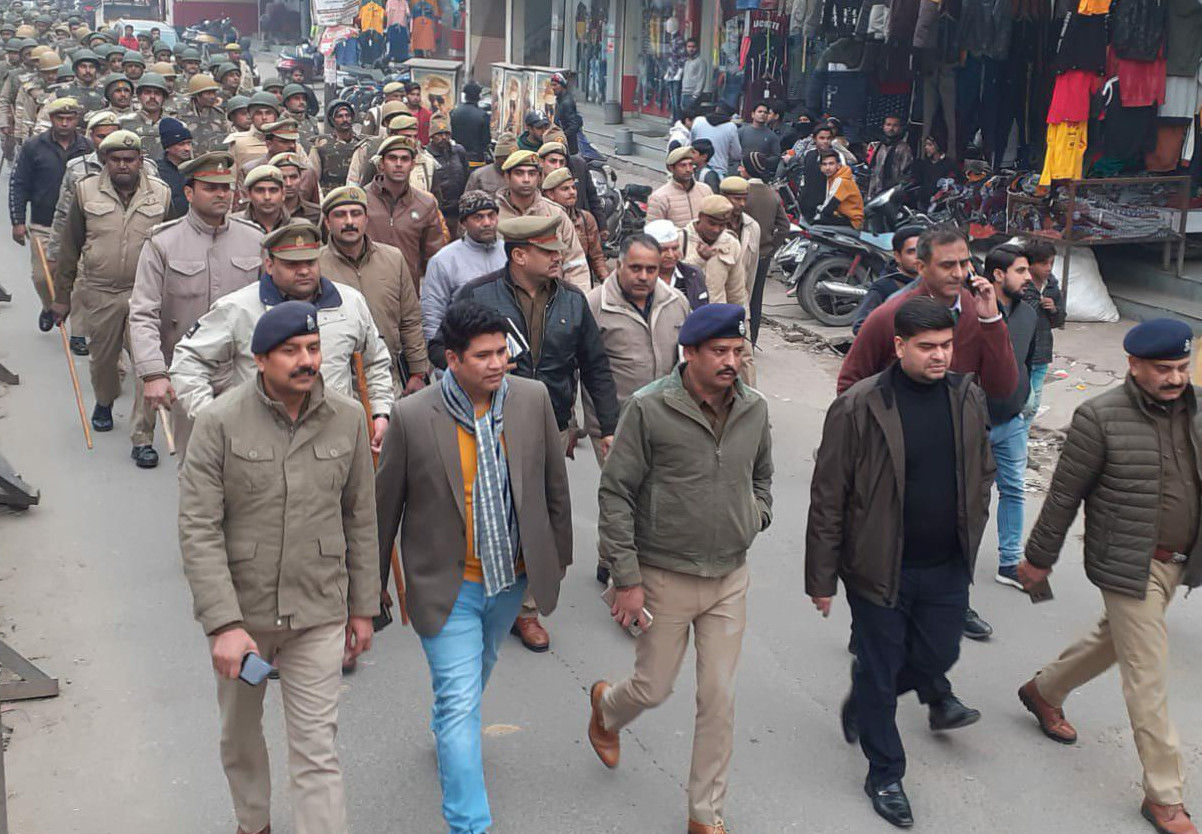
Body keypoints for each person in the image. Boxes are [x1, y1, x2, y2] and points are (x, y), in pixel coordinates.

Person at [178, 300, 380, 834]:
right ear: (261, 359)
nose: (306, 360)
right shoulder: (219, 422)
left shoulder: (348, 418)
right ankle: (253, 823)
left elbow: (361, 517)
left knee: (317, 749)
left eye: (313, 348)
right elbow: (198, 528)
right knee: (240, 738)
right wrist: (223, 624)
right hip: (243, 617)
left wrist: (364, 608)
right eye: (291, 351)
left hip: (318, 609)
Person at [374, 299, 572, 834]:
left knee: (476, 674)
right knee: (461, 701)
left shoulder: (531, 399)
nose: (497, 363)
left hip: (509, 579)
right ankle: (470, 824)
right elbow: (384, 510)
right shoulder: (414, 416)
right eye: (483, 355)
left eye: (502, 352)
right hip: (447, 584)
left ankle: (446, 732)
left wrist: (557, 558)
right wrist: (370, 591)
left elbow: (553, 485)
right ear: (453, 360)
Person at [806, 296, 994, 829]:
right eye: (927, 346)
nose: (940, 356)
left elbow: (982, 467)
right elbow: (829, 497)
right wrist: (821, 578)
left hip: (946, 564)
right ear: (898, 346)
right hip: (878, 567)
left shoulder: (966, 396)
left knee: (938, 654)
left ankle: (867, 697)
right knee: (882, 667)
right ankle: (885, 774)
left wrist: (974, 519)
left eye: (946, 345)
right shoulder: (860, 406)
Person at [588, 303, 773, 834]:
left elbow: (762, 476)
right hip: (663, 575)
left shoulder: (754, 408)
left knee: (719, 698)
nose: (731, 361)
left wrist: (754, 515)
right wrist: (627, 579)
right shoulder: (649, 408)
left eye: (738, 351)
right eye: (719, 351)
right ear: (689, 352)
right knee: (653, 687)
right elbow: (615, 493)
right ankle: (607, 710)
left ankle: (704, 816)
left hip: (729, 578)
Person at [1017, 318, 1202, 834]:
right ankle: (1164, 796)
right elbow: (1064, 494)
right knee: (1148, 672)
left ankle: (1044, 690)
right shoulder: (1099, 416)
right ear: (1134, 365)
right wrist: (1038, 558)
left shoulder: (1199, 409)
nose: (1175, 378)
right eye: (1163, 368)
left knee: (1114, 640)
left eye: (1182, 367)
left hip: (1182, 559)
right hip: (1129, 563)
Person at [439, 215, 620, 652]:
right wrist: (481, 372)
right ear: (519, 255)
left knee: (537, 517)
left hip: (550, 424)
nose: (559, 257)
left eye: (558, 250)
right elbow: (443, 351)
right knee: (485, 511)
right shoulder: (477, 295)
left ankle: (527, 609)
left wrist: (608, 427)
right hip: (486, 424)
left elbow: (595, 366)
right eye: (548, 251)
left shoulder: (573, 301)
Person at [837, 225, 1017, 641]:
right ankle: (870, 619)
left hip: (957, 451)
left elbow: (1004, 387)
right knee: (889, 540)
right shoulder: (890, 316)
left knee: (956, 530)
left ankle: (953, 602)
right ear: (921, 267)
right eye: (948, 264)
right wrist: (869, 446)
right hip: (897, 454)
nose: (959, 273)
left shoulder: (975, 310)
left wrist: (992, 319)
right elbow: (850, 383)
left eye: (965, 263)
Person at [170, 219, 395, 446]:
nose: (304, 271)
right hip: (260, 442)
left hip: (334, 439)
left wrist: (380, 412)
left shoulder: (350, 302)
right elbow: (188, 361)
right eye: (292, 264)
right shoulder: (238, 308)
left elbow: (375, 361)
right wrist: (210, 416)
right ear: (269, 265)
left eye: (310, 262)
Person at [49, 129, 172, 466]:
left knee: (148, 365)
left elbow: (174, 246)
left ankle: (142, 438)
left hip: (145, 295)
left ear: (140, 161)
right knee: (103, 363)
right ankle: (104, 400)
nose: (122, 165)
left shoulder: (161, 194)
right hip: (100, 291)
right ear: (105, 160)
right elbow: (71, 246)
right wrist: (61, 298)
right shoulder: (85, 190)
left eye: (129, 159)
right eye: (115, 159)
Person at [128, 151, 264, 454]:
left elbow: (271, 309)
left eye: (225, 188)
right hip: (186, 370)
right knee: (195, 463)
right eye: (210, 188)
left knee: (246, 461)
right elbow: (143, 313)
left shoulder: (255, 239)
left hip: (242, 370)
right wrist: (153, 373)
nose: (221, 194)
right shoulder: (163, 243)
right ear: (189, 193)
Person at [584, 232, 690, 477]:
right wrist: (571, 425)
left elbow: (687, 362)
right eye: (635, 268)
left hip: (666, 423)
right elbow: (577, 366)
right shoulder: (594, 305)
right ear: (619, 266)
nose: (643, 276)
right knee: (622, 492)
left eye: (651, 269)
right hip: (615, 427)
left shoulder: (677, 302)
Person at [317, 186, 430, 393]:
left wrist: (417, 372)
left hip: (389, 377)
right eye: (340, 215)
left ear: (366, 219)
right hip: (335, 383)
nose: (349, 222)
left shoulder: (393, 259)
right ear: (327, 222)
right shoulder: (315, 266)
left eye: (356, 214)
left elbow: (411, 320)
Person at [980, 244, 1037, 591]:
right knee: (965, 496)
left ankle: (1010, 563)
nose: (1029, 277)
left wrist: (1026, 400)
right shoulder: (972, 311)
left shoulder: (1029, 314)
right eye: (1021, 271)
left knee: (1014, 489)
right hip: (973, 423)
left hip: (1012, 421)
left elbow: (1028, 361)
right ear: (998, 274)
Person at [9, 96, 89, 333]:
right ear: (51, 118)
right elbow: (19, 183)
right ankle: (49, 306)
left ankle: (78, 331)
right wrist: (17, 221)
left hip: (79, 224)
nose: (64, 123)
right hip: (43, 224)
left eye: (69, 118)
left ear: (77, 119)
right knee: (42, 277)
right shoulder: (34, 146)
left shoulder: (87, 147)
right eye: (59, 118)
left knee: (79, 279)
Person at [45, 108, 121, 355]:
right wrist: (55, 251)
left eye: (113, 135)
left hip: (123, 238)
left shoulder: (138, 166)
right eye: (101, 136)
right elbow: (63, 212)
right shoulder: (77, 168)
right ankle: (79, 333)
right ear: (91, 137)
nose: (107, 141)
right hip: (86, 237)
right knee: (80, 285)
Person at [494, 149, 591, 291]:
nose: (526, 179)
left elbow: (576, 264)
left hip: (551, 297)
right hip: (504, 295)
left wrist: (575, 300)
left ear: (539, 177)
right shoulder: (491, 216)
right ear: (507, 177)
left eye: (532, 173)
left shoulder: (555, 214)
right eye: (519, 173)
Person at [363, 135, 447, 288]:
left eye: (405, 159)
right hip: (366, 289)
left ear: (413, 164)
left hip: (408, 291)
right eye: (392, 158)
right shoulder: (361, 200)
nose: (398, 164)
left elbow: (434, 258)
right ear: (381, 164)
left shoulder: (425, 204)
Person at [421, 190, 506, 339]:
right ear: (463, 223)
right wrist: (437, 349)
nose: (487, 223)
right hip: (465, 345)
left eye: (491, 215)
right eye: (478, 217)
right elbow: (432, 315)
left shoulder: (509, 253)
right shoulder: (443, 261)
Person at [739, 151, 789, 343]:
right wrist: (771, 248)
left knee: (737, 295)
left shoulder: (740, 193)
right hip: (762, 255)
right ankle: (752, 341)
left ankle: (737, 339)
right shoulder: (772, 195)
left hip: (741, 253)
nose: (739, 169)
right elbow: (784, 227)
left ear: (748, 169)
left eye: (742, 166)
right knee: (756, 299)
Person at [1020, 238, 1064, 425]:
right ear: (1030, 265)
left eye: (1051, 263)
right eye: (1044, 263)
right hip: (1023, 356)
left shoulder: (1052, 287)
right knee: (1025, 402)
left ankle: (1023, 435)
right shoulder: (1021, 287)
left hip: (1042, 353)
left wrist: (1053, 309)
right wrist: (1035, 303)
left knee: (1035, 401)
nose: (1048, 268)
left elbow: (1059, 320)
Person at [851, 224, 924, 335]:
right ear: (897, 256)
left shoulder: (934, 283)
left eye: (922, 250)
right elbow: (860, 327)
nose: (918, 257)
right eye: (911, 252)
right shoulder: (883, 287)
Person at [542, 167, 607, 286]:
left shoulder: (586, 219)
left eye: (573, 187)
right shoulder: (543, 221)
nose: (572, 192)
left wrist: (608, 283)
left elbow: (597, 257)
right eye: (565, 189)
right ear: (550, 194)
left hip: (580, 284)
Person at [681, 195, 746, 306]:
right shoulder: (680, 240)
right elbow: (675, 281)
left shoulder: (731, 244)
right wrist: (699, 259)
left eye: (722, 225)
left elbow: (736, 291)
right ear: (700, 216)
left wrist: (741, 314)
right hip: (688, 312)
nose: (716, 230)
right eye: (712, 223)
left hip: (717, 312)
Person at [538, 134, 605, 232]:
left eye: (561, 162)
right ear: (541, 162)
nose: (558, 167)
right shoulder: (534, 183)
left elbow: (593, 198)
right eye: (553, 161)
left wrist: (602, 226)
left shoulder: (578, 168)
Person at [644, 218, 709, 309]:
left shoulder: (693, 274)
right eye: (663, 250)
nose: (671, 255)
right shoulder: (641, 278)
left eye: (674, 249)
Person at [647, 145, 714, 228]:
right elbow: (654, 230)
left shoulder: (705, 190)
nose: (688, 169)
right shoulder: (659, 198)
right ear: (671, 168)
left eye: (690, 164)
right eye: (683, 165)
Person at [718, 176, 761, 304]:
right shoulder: (712, 227)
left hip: (739, 297)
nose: (742, 203)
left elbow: (752, 271)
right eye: (737, 199)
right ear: (723, 197)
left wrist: (746, 301)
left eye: (745, 199)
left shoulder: (752, 227)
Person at [308, 100, 365, 192]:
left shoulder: (363, 143)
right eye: (340, 116)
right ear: (332, 119)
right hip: (329, 195)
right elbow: (312, 179)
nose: (345, 119)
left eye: (347, 115)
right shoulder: (320, 145)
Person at [428, 113, 469, 239]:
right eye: (439, 134)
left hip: (458, 211)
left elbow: (467, 177)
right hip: (438, 212)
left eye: (447, 134)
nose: (444, 138)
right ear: (432, 136)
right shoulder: (427, 156)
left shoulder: (459, 151)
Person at [227, 90, 279, 170]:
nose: (264, 117)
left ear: (276, 116)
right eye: (258, 113)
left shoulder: (288, 141)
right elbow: (232, 174)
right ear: (251, 116)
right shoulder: (237, 142)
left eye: (268, 113)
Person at [867, 115, 914, 200]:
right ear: (883, 127)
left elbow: (907, 173)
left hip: (892, 194)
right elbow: (874, 170)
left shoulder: (904, 149)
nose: (891, 128)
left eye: (895, 125)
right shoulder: (879, 146)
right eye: (888, 125)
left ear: (900, 128)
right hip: (876, 193)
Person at [231, 164, 291, 231]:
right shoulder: (233, 225)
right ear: (249, 194)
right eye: (260, 191)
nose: (267, 197)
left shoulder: (296, 227)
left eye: (273, 190)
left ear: (283, 194)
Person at [180, 73, 228, 154]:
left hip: (214, 156)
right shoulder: (181, 115)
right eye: (208, 93)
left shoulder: (219, 114)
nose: (212, 97)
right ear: (197, 95)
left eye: (214, 93)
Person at [815, 149, 864, 228]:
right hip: (843, 215)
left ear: (838, 165)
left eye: (831, 164)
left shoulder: (841, 180)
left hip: (853, 221)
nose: (827, 168)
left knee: (815, 225)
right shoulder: (833, 177)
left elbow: (829, 207)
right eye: (824, 164)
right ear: (820, 167)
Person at [689, 104, 741, 179]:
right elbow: (736, 155)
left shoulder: (698, 121)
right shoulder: (731, 127)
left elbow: (691, 145)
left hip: (696, 169)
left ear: (716, 109)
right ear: (730, 116)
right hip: (719, 171)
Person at [157, 117, 193, 218]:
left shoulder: (196, 168)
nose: (187, 148)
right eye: (181, 144)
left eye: (189, 143)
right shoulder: (157, 171)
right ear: (168, 147)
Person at [450, 79, 491, 167]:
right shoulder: (483, 115)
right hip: (476, 160)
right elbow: (486, 140)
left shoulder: (454, 112)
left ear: (465, 96)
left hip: (456, 158)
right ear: (479, 96)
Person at [913, 134, 957, 211]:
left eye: (930, 145)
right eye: (926, 145)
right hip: (923, 206)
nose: (926, 147)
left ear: (938, 146)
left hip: (942, 209)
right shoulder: (923, 164)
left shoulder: (949, 165)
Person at [464, 131, 516, 195]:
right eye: (505, 158)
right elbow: (467, 199)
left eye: (513, 159)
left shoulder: (523, 176)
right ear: (496, 157)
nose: (509, 162)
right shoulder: (479, 176)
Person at [549, 71, 582, 156]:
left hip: (568, 147)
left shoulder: (566, 102)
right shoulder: (560, 100)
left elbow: (574, 125)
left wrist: (562, 135)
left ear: (562, 86)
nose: (553, 88)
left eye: (555, 85)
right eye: (551, 85)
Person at [680, 38, 709, 115]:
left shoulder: (701, 62)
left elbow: (701, 79)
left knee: (692, 117)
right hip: (684, 93)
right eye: (689, 47)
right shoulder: (686, 62)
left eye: (693, 47)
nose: (691, 49)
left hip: (693, 95)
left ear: (697, 47)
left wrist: (695, 96)